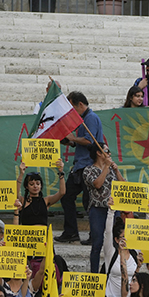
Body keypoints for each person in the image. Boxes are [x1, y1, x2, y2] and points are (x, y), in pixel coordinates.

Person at [56, 91, 103, 243]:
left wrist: (72, 138)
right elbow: (81, 142)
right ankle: (71, 232)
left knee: (88, 201)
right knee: (67, 196)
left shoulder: (91, 118)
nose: (71, 112)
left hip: (89, 166)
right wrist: (69, 142)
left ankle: (94, 235)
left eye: (72, 108)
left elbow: (90, 141)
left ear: (80, 105)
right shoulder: (84, 119)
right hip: (80, 166)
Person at [84, 143, 120, 273]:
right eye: (107, 151)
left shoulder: (111, 169)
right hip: (98, 210)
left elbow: (124, 186)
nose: (109, 153)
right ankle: (94, 274)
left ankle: (111, 272)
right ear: (99, 153)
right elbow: (97, 184)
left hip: (114, 210)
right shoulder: (88, 170)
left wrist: (116, 170)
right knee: (97, 243)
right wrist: (106, 167)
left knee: (115, 243)